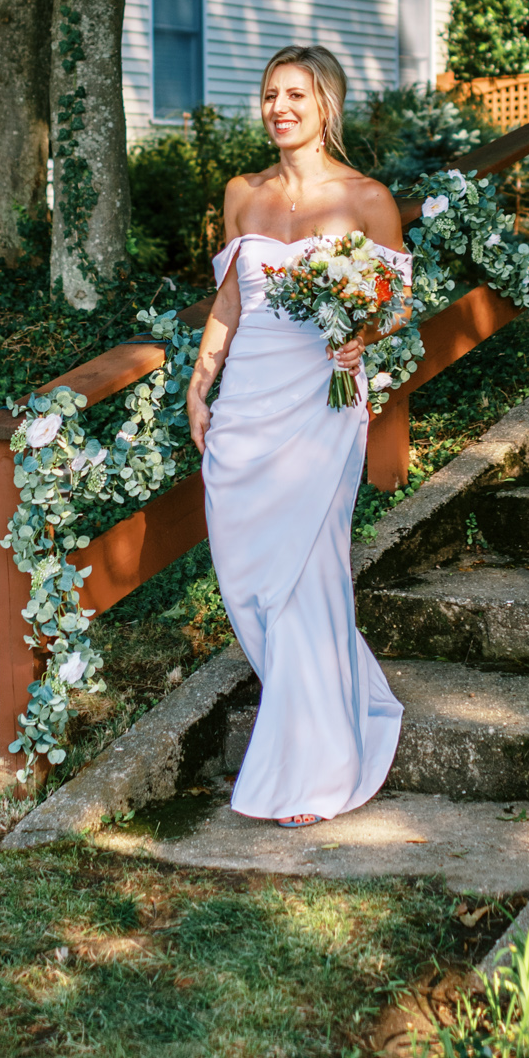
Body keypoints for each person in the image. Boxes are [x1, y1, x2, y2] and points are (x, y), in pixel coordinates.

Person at [185, 43, 408, 829]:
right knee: (246, 576)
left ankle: (314, 767)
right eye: (272, 94)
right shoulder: (242, 193)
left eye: (297, 96)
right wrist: (201, 379)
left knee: (310, 574)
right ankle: (335, 704)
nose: (281, 107)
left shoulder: (367, 197)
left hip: (322, 403)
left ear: (326, 108)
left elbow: (397, 302)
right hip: (246, 405)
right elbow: (230, 300)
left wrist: (363, 334)